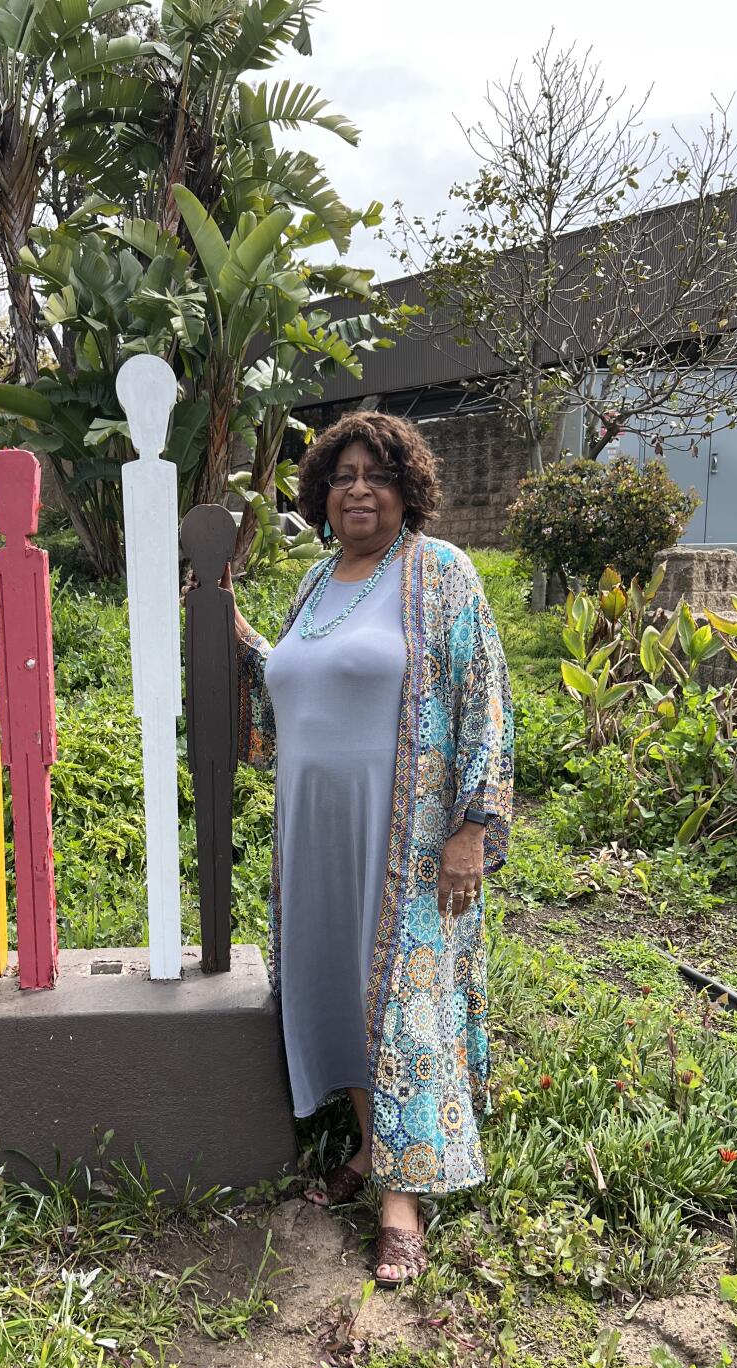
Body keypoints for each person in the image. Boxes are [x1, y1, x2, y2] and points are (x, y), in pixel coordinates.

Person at [232, 411, 514, 1286]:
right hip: (312, 830)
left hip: (404, 835)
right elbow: (284, 694)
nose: (359, 488)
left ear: (407, 490)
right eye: (344, 474)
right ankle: (367, 1142)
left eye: (378, 474)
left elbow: (485, 698)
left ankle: (402, 1200)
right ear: (322, 494)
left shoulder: (441, 575)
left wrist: (471, 826)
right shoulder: (317, 583)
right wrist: (228, 627)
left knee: (396, 997)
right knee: (334, 984)